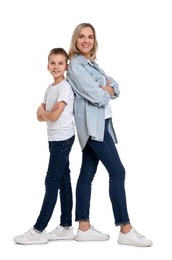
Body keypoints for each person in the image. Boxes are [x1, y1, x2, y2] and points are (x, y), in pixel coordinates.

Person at [66, 22, 152, 247]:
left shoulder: (91, 64)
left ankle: (83, 227)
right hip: (94, 127)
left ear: (94, 41)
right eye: (82, 37)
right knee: (117, 171)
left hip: (99, 124)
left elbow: (117, 87)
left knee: (87, 173)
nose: (86, 40)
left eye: (90, 37)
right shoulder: (75, 65)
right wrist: (105, 89)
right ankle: (125, 228)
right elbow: (97, 96)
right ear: (75, 40)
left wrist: (107, 87)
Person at [13, 48, 75, 245]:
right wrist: (44, 112)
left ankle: (39, 230)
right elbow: (40, 118)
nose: (56, 67)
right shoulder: (50, 89)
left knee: (51, 182)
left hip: (63, 139)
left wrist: (44, 111)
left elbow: (52, 116)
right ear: (47, 65)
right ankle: (66, 227)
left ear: (66, 66)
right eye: (52, 63)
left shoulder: (65, 87)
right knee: (63, 180)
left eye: (60, 63)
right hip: (54, 139)